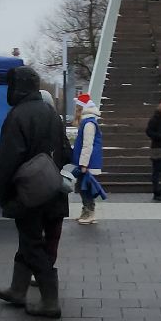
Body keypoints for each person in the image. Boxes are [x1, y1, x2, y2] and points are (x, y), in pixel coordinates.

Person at [0, 65, 71, 318]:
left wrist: (2, 193)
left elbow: (8, 160)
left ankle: (49, 301)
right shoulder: (50, 112)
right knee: (31, 241)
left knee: (31, 242)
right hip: (52, 189)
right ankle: (18, 289)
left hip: (27, 193)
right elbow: (66, 152)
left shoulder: (18, 116)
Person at [72, 96, 105, 226]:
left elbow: (87, 145)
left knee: (84, 188)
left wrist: (84, 164)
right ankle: (87, 212)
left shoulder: (88, 123)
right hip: (89, 162)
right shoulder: (89, 122)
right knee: (84, 188)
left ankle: (89, 213)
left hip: (88, 163)